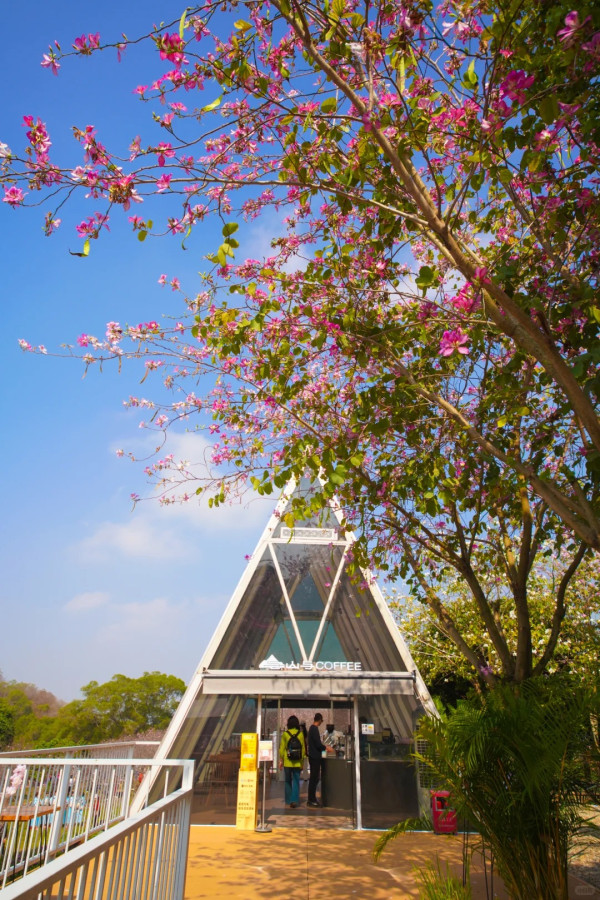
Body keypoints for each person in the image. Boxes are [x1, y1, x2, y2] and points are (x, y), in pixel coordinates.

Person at [279, 714, 306, 808]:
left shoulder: (285, 734)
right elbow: (303, 750)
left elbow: (282, 748)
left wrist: (281, 760)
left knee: (287, 780)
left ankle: (288, 800)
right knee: (296, 780)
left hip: (287, 761)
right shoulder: (301, 734)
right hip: (297, 761)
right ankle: (294, 800)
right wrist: (302, 762)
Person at [307, 712, 327, 808]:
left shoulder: (312, 729)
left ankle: (312, 799)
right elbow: (318, 744)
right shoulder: (314, 729)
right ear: (319, 720)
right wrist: (326, 748)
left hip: (313, 756)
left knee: (314, 778)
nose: (321, 723)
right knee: (314, 778)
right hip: (315, 757)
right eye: (321, 721)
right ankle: (312, 799)